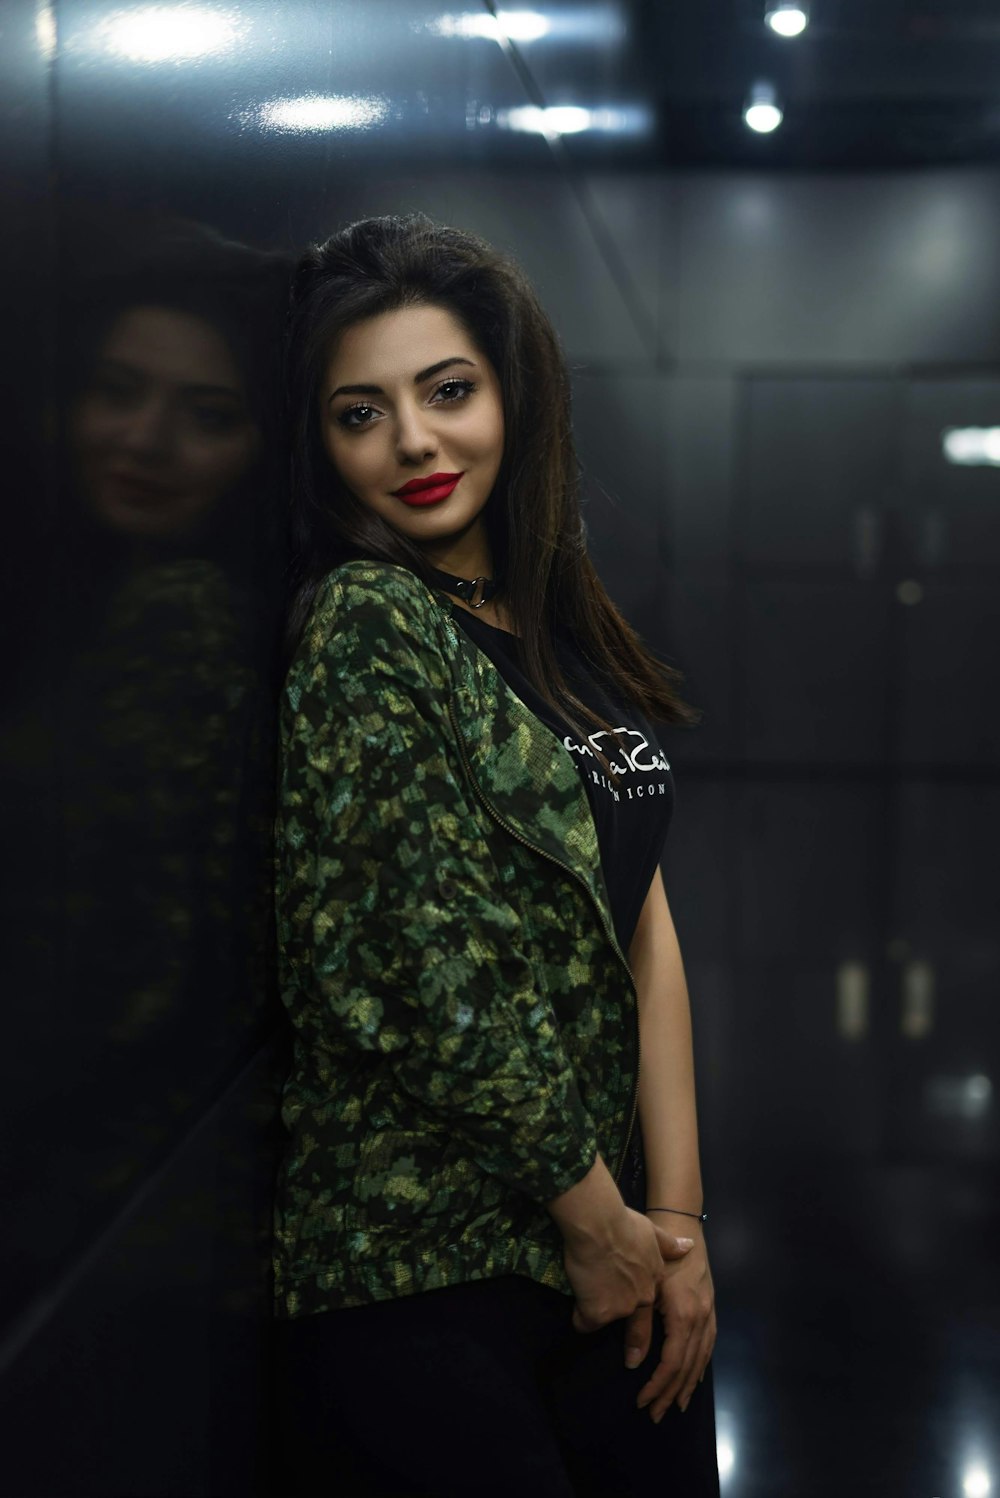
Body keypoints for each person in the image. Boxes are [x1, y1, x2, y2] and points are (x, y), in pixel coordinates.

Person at [273, 212, 719, 1497]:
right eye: (360, 412)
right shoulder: (371, 624)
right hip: (427, 1266)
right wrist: (598, 1221)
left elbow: (641, 921)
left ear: (511, 394)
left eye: (447, 390)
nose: (412, 441)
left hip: (611, 1243)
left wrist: (677, 1224)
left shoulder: (547, 612)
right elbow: (424, 976)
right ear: (320, 442)